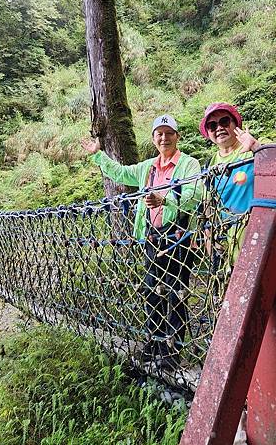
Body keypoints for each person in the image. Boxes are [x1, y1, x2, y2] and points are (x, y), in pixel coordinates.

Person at [81, 115, 202, 370]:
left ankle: (172, 352)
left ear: (177, 137)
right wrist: (98, 155)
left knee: (175, 294)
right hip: (152, 239)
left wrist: (164, 199)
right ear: (153, 138)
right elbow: (122, 173)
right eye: (159, 133)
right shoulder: (148, 167)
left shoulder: (189, 165)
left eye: (169, 133)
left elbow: (194, 196)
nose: (164, 138)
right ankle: (155, 342)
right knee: (151, 291)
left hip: (177, 238)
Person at [199, 102, 261, 267]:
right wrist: (210, 241)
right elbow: (208, 207)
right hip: (230, 238)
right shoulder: (209, 164)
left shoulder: (255, 145)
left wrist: (256, 146)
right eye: (212, 125)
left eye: (224, 122)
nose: (219, 128)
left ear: (235, 124)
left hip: (261, 231)